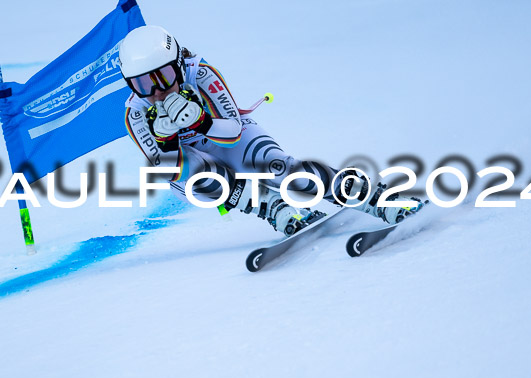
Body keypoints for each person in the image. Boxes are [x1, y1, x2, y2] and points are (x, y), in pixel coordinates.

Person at [120, 25, 423, 236]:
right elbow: (167, 168)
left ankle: (373, 197)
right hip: (194, 166)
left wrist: (201, 122)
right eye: (144, 84)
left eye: (165, 76)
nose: (158, 92)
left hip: (227, 138)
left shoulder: (199, 73)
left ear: (179, 64)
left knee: (277, 168)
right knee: (199, 177)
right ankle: (271, 207)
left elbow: (234, 132)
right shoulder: (135, 113)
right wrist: (166, 139)